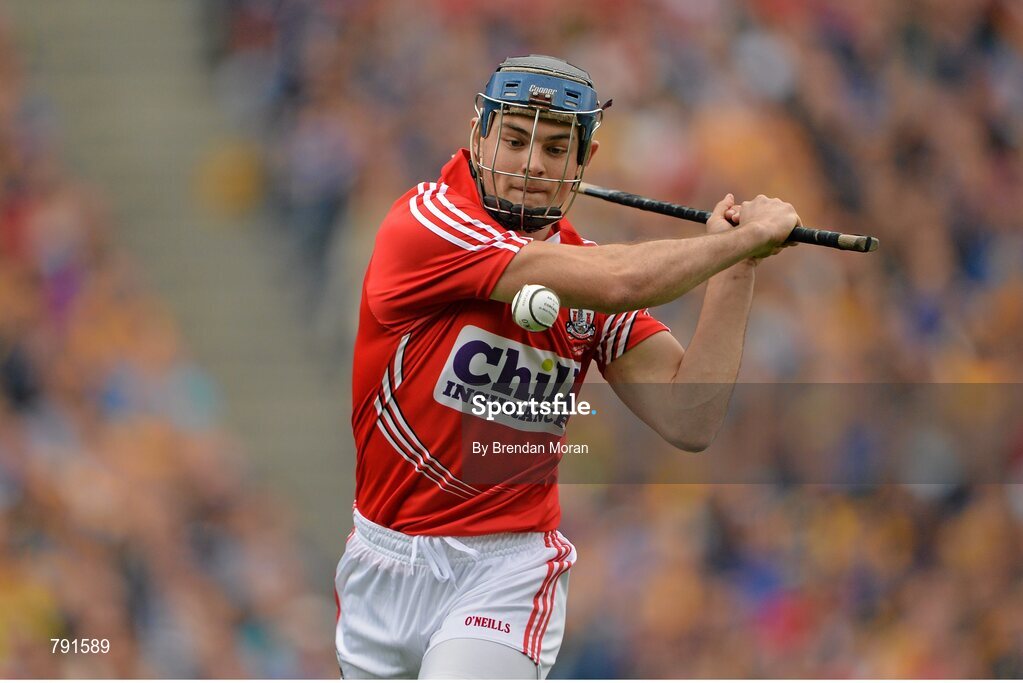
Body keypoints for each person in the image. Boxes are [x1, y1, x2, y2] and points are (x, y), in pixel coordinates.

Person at [335, 54, 799, 679]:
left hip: (505, 572)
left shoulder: (583, 272)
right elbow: (622, 282)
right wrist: (732, 242)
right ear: (479, 136)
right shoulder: (426, 224)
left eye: (556, 150)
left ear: (585, 163)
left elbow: (689, 415)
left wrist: (738, 270)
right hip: (380, 562)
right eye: (516, 139)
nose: (532, 165)